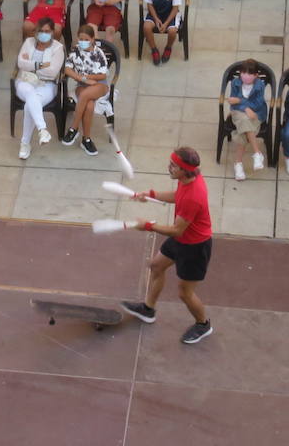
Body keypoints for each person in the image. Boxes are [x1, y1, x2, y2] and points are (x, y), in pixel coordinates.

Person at [120, 145, 214, 345]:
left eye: (173, 165)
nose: (169, 167)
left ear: (184, 170)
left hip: (195, 248)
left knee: (184, 293)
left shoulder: (194, 196)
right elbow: (176, 196)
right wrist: (150, 194)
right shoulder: (186, 180)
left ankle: (203, 324)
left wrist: (147, 225)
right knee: (156, 266)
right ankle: (148, 309)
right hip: (182, 240)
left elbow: (176, 230)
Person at [14, 17, 65, 160]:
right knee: (30, 93)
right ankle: (42, 129)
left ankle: (25, 143)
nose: (43, 34)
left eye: (47, 31)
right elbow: (20, 63)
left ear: (52, 32)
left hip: (46, 84)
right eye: (40, 31)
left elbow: (53, 72)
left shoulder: (58, 48)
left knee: (29, 105)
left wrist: (31, 65)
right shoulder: (28, 42)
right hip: (25, 81)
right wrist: (41, 65)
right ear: (36, 32)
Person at [60, 23, 111, 157]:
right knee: (89, 105)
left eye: (86, 39)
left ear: (93, 39)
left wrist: (87, 77)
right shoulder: (75, 51)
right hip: (82, 85)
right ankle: (86, 139)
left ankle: (74, 128)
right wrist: (83, 79)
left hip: (99, 85)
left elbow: (103, 75)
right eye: (81, 39)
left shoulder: (98, 53)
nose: (83, 42)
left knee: (85, 96)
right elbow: (67, 69)